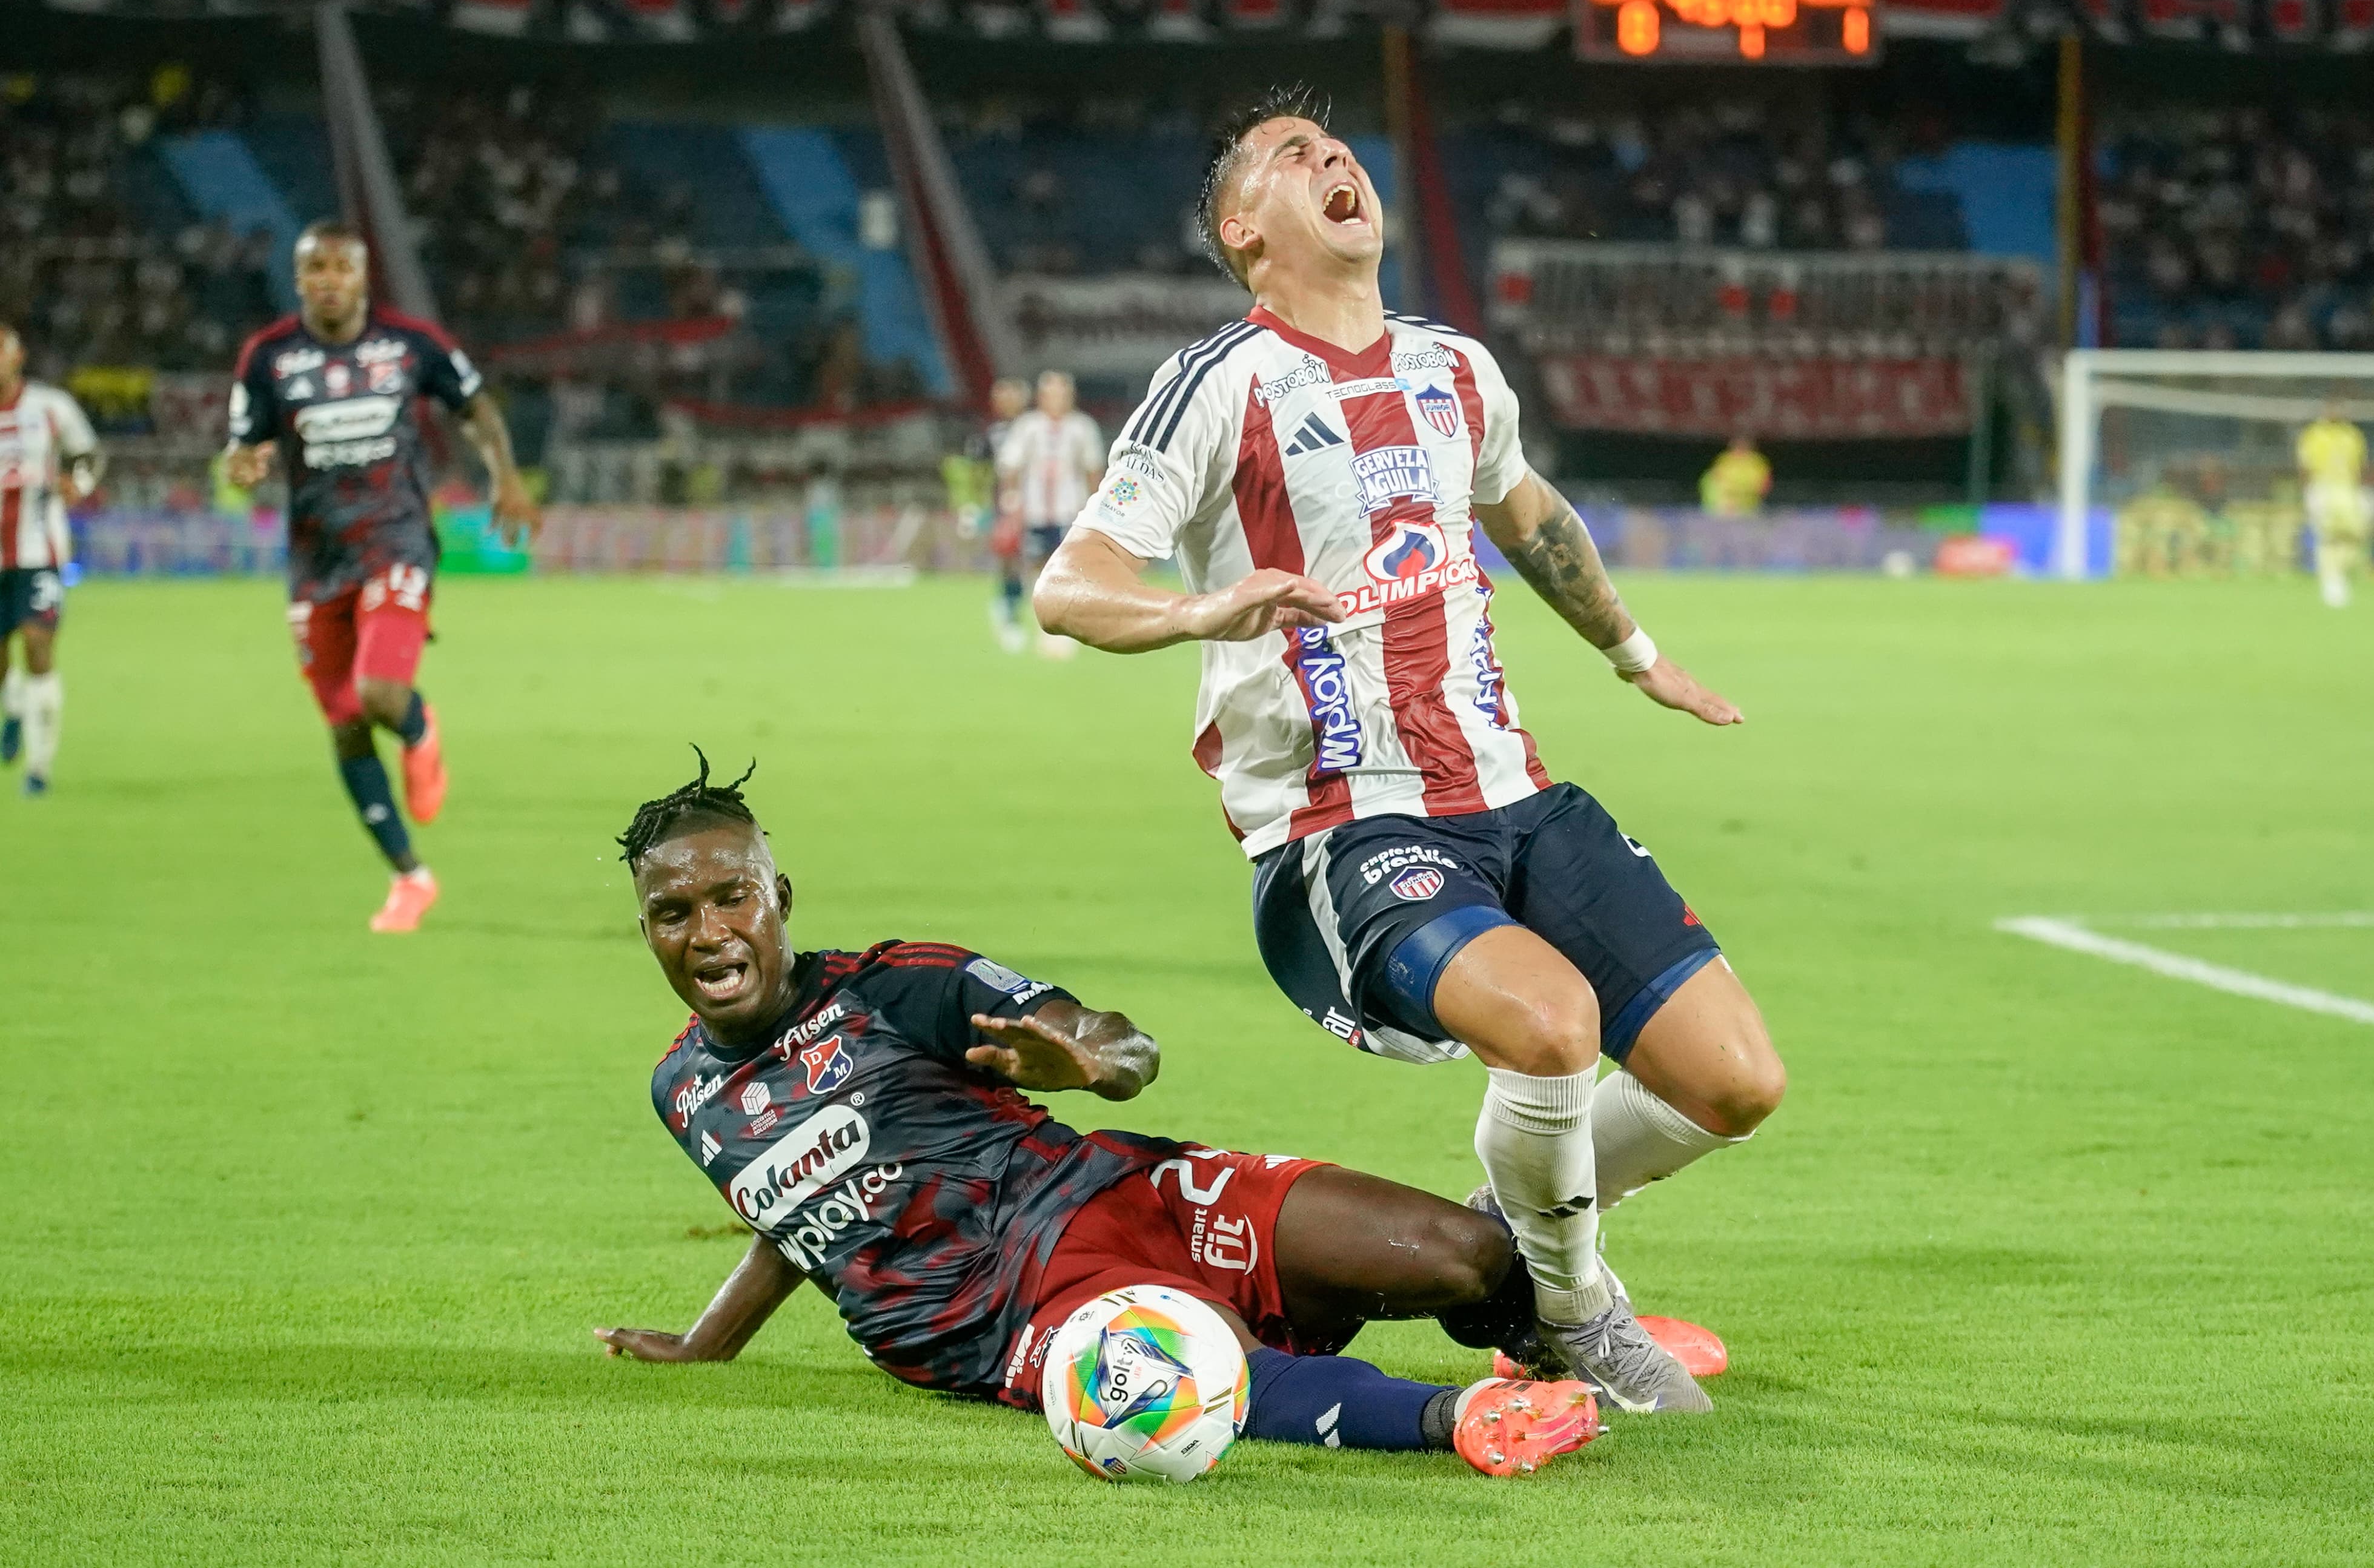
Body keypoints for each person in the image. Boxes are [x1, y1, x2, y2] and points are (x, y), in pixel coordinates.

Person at [1033, 89, 1786, 1414]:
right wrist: (1203, 608)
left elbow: (1530, 514)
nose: (1331, 157)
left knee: (1735, 1082)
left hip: (1513, 791)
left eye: (1335, 146)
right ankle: (1571, 1311)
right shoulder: (1218, 384)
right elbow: (1068, 586)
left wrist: (1634, 652)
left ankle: (1517, 1218)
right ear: (1243, 229)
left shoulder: (1456, 368)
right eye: (1289, 155)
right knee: (1548, 1026)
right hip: (1347, 820)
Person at [592, 755, 1604, 1478]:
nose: (710, 932)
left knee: (1464, 1253)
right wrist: (707, 1341)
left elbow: (1122, 1046)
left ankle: (1557, 1340)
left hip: (1118, 1194)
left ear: (779, 896)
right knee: (1193, 1374)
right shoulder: (683, 1092)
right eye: (675, 913)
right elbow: (798, 1216)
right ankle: (1461, 1416)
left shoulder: (893, 988)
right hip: (1000, 1316)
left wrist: (1086, 1061)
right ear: (645, 930)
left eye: (733, 897)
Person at [220, 221, 540, 931]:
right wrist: (241, 462)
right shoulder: (268, 356)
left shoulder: (411, 344)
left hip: (396, 540)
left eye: (342, 267)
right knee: (345, 725)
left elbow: (476, 407)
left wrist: (505, 478)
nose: (330, 280)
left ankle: (420, 731)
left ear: (363, 277)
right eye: (317, 268)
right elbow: (244, 444)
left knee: (379, 693)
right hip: (316, 560)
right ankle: (409, 878)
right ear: (299, 279)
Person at [0, 325, 99, 796]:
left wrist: (78, 483)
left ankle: (39, 769)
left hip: (40, 552)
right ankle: (14, 707)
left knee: (39, 646)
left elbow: (88, 454)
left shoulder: (51, 407)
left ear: (17, 357)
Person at [995, 369, 1104, 657]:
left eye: (1063, 394)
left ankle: (1061, 627)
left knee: (1066, 566)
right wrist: (1011, 501)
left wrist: (1096, 506)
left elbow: (1093, 468)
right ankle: (1026, 619)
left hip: (1069, 510)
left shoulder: (1082, 427)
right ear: (1042, 397)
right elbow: (1011, 465)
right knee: (1031, 565)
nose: (1058, 400)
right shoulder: (1029, 427)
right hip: (1034, 510)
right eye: (1052, 394)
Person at [961, 374, 1031, 652]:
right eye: (1001, 396)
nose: (1006, 401)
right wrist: (973, 506)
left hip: (1042, 507)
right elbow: (978, 473)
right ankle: (1010, 611)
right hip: (1006, 508)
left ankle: (1045, 616)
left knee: (1043, 560)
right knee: (1010, 560)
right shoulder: (990, 434)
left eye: (1011, 395)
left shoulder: (1037, 429)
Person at [2295, 397, 2373, 608]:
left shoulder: (2353, 435)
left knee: (2354, 535)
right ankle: (2330, 580)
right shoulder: (2313, 434)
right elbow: (2305, 466)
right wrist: (2308, 493)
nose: (2336, 412)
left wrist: (2358, 489)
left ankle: (2338, 572)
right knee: (2327, 537)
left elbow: (2359, 467)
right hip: (2322, 488)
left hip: (2347, 490)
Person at [1700, 435, 1772, 518]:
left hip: (1750, 504)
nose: (1740, 450)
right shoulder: (1725, 460)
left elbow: (1766, 484)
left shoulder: (1757, 462)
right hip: (1726, 504)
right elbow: (1716, 479)